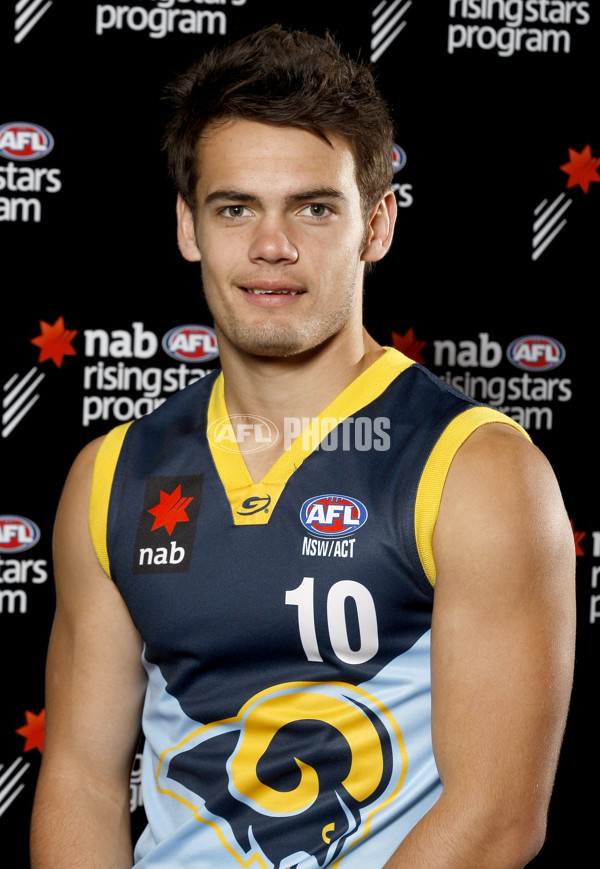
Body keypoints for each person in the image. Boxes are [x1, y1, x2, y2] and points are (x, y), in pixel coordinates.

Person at [31, 24, 575, 869]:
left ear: (378, 225)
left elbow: (496, 816)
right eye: (235, 207)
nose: (271, 246)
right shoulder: (111, 477)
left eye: (314, 208)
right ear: (188, 226)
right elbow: (81, 781)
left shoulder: (477, 468)